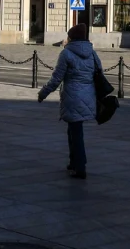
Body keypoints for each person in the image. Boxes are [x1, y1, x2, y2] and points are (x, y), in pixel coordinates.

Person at [37, 24, 101, 180]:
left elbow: (56, 78)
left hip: (72, 96)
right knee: (73, 129)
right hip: (88, 95)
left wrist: (43, 93)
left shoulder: (66, 54)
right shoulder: (92, 53)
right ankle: (74, 161)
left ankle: (80, 167)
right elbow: (99, 73)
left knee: (76, 131)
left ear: (72, 38)